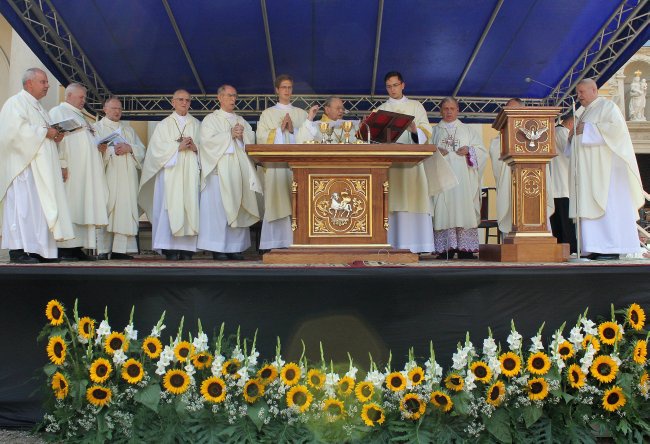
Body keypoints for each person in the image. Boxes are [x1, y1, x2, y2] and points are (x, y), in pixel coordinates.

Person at [0, 68, 74, 263]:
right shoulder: (15, 103)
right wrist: (44, 132)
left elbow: (45, 134)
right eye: (43, 82)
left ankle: (39, 250)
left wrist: (55, 136)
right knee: (22, 209)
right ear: (29, 83)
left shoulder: (41, 109)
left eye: (47, 82)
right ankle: (18, 251)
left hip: (43, 170)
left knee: (40, 210)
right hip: (24, 169)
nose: (47, 85)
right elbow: (12, 133)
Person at [569, 78, 645, 260]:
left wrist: (586, 129)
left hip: (605, 173)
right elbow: (575, 142)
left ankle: (610, 247)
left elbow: (616, 131)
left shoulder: (607, 107)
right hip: (587, 174)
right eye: (578, 92)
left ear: (594, 90)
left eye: (582, 92)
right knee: (589, 208)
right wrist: (572, 137)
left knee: (607, 207)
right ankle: (593, 247)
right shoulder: (583, 112)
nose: (579, 96)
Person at [198, 85, 261, 260]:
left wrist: (242, 137)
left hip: (238, 173)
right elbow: (206, 143)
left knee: (238, 207)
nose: (233, 99)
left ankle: (236, 247)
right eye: (229, 96)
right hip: (218, 173)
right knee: (219, 211)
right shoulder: (211, 120)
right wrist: (229, 135)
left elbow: (251, 141)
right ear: (220, 98)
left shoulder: (241, 120)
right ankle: (218, 248)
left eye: (235, 95)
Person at [377, 71, 435, 254]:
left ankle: (418, 246)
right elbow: (375, 137)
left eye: (395, 85)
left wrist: (414, 129)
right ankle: (394, 244)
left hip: (412, 165)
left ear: (403, 85)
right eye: (389, 86)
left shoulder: (416, 107)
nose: (392, 89)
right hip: (392, 164)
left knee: (414, 199)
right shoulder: (381, 109)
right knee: (394, 201)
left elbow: (427, 132)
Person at [139, 89, 200, 261]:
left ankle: (187, 249)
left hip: (190, 174)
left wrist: (196, 148)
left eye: (187, 100)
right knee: (169, 209)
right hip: (170, 174)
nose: (184, 103)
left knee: (190, 206)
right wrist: (177, 148)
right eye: (180, 99)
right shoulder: (164, 125)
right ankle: (170, 248)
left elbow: (206, 150)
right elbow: (155, 153)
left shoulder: (196, 124)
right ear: (172, 102)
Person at [50, 83, 108, 261]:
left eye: (84, 97)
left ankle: (77, 247)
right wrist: (61, 164)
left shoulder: (82, 118)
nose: (84, 101)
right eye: (81, 97)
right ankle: (65, 247)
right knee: (70, 206)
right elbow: (55, 142)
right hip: (71, 171)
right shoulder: (57, 112)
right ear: (68, 96)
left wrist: (98, 147)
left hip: (86, 173)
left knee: (83, 206)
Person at [255, 74, 308, 250]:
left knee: (296, 201)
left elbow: (309, 139)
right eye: (283, 87)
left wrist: (293, 130)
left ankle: (297, 241)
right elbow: (260, 137)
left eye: (290, 87)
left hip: (295, 168)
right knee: (277, 201)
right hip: (276, 168)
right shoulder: (267, 113)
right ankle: (275, 242)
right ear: (277, 90)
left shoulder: (301, 114)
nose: (287, 91)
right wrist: (279, 130)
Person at [430, 97, 487, 259]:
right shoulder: (434, 131)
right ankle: (446, 248)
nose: (448, 111)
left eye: (452, 108)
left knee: (463, 210)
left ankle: (464, 248)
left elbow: (482, 152)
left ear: (458, 110)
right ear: (441, 111)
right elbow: (425, 153)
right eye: (445, 108)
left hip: (464, 181)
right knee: (443, 210)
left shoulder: (468, 130)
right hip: (442, 179)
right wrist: (435, 152)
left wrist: (470, 150)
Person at [93, 97, 146, 260]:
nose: (117, 112)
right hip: (108, 175)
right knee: (107, 209)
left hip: (127, 178)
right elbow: (90, 153)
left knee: (124, 210)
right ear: (105, 109)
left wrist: (130, 148)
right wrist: (107, 151)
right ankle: (103, 250)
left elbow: (142, 150)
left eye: (120, 109)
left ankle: (120, 251)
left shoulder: (128, 130)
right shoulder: (97, 128)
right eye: (114, 108)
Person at [549, 113, 576, 253]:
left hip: (557, 185)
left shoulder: (554, 131)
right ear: (571, 123)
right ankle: (569, 249)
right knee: (566, 223)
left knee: (559, 223)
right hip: (564, 186)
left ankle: (561, 249)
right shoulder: (561, 132)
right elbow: (573, 153)